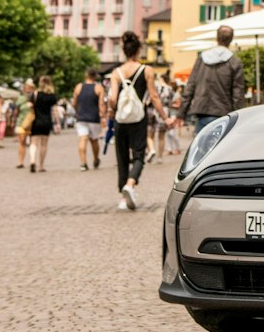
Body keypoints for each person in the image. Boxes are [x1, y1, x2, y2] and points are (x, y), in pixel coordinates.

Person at [106, 32, 173, 211]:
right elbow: (154, 96)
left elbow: (112, 99)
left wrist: (111, 111)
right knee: (138, 155)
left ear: (124, 51)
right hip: (138, 118)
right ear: (138, 50)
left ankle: (122, 196)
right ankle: (130, 184)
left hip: (121, 119)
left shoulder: (116, 73)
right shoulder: (147, 70)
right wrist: (165, 117)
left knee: (121, 157)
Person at [179, 24, 246, 132]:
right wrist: (241, 118)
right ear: (231, 40)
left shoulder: (202, 59)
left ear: (216, 38)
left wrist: (181, 113)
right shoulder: (234, 62)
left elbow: (190, 87)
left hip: (202, 111)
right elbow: (238, 94)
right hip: (224, 113)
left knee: (203, 147)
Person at [73, 68, 106, 171]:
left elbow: (74, 102)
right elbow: (101, 104)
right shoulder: (99, 88)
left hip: (81, 117)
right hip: (94, 118)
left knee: (83, 139)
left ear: (86, 75)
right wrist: (103, 116)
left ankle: (83, 163)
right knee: (94, 140)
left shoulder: (79, 87)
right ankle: (96, 159)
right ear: (95, 76)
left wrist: (77, 111)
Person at [29, 77, 59, 173]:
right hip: (47, 121)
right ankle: (41, 165)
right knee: (44, 144)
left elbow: (29, 106)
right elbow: (55, 110)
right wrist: (57, 123)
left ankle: (32, 160)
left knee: (33, 142)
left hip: (36, 120)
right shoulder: (52, 96)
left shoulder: (35, 94)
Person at [15, 80, 35, 168]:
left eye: (30, 88)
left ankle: (32, 160)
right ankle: (20, 162)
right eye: (27, 88)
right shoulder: (21, 98)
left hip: (32, 123)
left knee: (32, 142)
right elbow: (17, 111)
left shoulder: (35, 97)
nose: (28, 90)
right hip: (21, 122)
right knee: (22, 142)